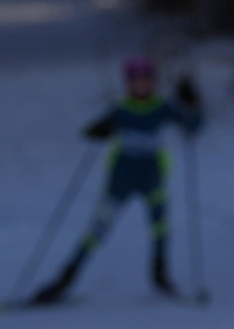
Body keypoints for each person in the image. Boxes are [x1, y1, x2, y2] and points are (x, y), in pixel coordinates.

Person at [31, 55, 204, 304]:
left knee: (160, 227)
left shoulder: (163, 107)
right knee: (98, 230)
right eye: (136, 82)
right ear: (128, 84)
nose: (141, 86)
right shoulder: (121, 110)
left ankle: (160, 275)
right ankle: (65, 279)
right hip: (120, 181)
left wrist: (191, 105)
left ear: (153, 83)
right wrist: (99, 130)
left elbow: (194, 125)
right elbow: (91, 130)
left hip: (152, 178)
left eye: (146, 81)